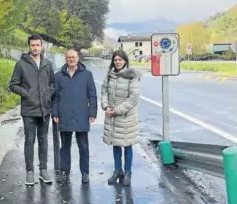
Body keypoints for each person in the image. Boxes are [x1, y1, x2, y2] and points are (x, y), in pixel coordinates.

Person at [9, 34, 55, 186]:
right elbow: (13, 85)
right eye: (32, 45)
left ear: (41, 46)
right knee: (29, 140)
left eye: (37, 45)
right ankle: (30, 172)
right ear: (29, 46)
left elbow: (52, 83)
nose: (35, 48)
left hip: (44, 110)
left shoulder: (47, 64)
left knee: (43, 140)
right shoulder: (21, 64)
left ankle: (43, 170)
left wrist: (48, 94)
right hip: (29, 109)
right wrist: (26, 94)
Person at [52, 49, 97, 184]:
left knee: (83, 146)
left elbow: (92, 95)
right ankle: (65, 171)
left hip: (81, 114)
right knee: (65, 146)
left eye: (74, 57)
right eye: (69, 57)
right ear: (65, 59)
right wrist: (55, 113)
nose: (71, 59)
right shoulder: (58, 76)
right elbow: (55, 97)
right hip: (64, 115)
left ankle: (85, 173)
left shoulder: (87, 75)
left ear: (78, 58)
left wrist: (92, 112)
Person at [101, 49, 142, 186]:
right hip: (112, 115)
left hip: (126, 117)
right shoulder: (109, 75)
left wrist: (116, 110)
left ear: (125, 61)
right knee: (116, 143)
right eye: (115, 60)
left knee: (127, 145)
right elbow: (104, 91)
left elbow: (133, 99)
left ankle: (128, 172)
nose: (117, 62)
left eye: (120, 59)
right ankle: (118, 170)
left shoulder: (132, 76)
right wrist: (106, 107)